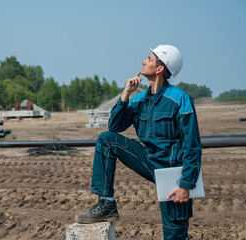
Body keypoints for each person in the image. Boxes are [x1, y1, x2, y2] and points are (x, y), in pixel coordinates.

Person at [75, 45, 202, 240]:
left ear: (160, 69)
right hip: (148, 160)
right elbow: (115, 126)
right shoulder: (139, 100)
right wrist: (126, 94)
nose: (143, 62)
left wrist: (185, 185)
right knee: (106, 140)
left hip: (172, 172)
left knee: (174, 234)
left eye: (149, 59)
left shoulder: (180, 99)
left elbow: (191, 145)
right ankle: (106, 203)